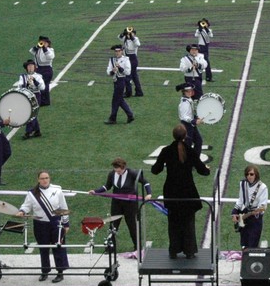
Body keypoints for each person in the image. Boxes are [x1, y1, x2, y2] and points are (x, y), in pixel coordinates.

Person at [151, 125, 212, 259]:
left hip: (171, 191)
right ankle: (189, 251)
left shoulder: (166, 151)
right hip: (187, 191)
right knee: (188, 222)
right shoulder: (190, 151)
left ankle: (174, 250)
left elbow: (155, 170)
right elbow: (202, 170)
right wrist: (207, 169)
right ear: (185, 136)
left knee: (173, 222)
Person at [88, 158, 152, 251]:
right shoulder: (112, 174)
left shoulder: (132, 173)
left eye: (119, 170)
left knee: (132, 226)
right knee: (113, 225)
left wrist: (149, 194)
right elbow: (107, 186)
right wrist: (95, 191)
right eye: (116, 170)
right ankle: (110, 249)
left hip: (130, 204)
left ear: (124, 167)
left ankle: (137, 247)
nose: (117, 172)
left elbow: (145, 182)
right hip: (116, 203)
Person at [17, 171, 70, 283]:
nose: (45, 180)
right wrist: (22, 211)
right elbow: (27, 205)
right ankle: (45, 271)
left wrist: (66, 224)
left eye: (46, 178)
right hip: (40, 225)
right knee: (43, 248)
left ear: (49, 178)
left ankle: (60, 272)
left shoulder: (57, 191)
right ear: (38, 180)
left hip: (56, 224)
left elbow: (64, 207)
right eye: (42, 178)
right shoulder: (32, 193)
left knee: (58, 247)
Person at [231, 165, 268, 249]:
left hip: (255, 218)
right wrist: (234, 212)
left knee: (253, 243)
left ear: (256, 175)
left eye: (251, 174)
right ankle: (245, 260)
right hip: (244, 215)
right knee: (243, 243)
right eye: (247, 174)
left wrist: (257, 211)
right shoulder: (243, 184)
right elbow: (240, 200)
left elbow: (263, 206)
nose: (249, 176)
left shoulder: (263, 187)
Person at [104, 45, 134, 125]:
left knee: (115, 100)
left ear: (122, 51)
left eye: (119, 51)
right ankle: (130, 115)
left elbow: (128, 72)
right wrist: (112, 71)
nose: (117, 53)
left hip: (121, 81)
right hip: (115, 82)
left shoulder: (126, 59)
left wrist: (120, 68)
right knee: (119, 100)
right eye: (116, 51)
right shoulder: (112, 59)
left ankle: (113, 118)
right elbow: (108, 71)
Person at [17, 60, 47, 139]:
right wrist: (27, 83)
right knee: (32, 114)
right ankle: (37, 131)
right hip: (26, 95)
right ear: (26, 68)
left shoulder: (38, 76)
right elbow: (19, 87)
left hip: (35, 95)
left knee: (31, 114)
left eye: (32, 66)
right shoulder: (22, 76)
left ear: (34, 67)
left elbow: (42, 87)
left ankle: (28, 132)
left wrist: (34, 81)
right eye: (29, 66)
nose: (30, 68)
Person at [177, 83, 204, 158]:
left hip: (191, 126)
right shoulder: (184, 103)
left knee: (198, 142)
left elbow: (190, 113)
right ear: (184, 92)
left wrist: (196, 118)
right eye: (188, 91)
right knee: (187, 145)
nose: (190, 92)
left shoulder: (188, 100)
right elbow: (184, 117)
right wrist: (194, 121)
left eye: (191, 91)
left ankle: (194, 161)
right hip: (186, 127)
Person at [29, 35, 55, 106]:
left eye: (45, 42)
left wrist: (44, 48)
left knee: (45, 86)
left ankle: (45, 101)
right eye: (42, 42)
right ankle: (40, 100)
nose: (43, 43)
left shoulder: (50, 50)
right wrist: (37, 46)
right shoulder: (37, 50)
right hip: (38, 69)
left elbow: (50, 57)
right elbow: (31, 51)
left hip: (47, 70)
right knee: (38, 85)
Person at [118, 28, 144, 97]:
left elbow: (138, 44)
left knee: (127, 77)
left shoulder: (135, 39)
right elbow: (119, 37)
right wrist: (124, 33)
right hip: (127, 59)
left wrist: (132, 37)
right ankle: (139, 92)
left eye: (131, 33)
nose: (129, 34)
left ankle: (128, 93)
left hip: (132, 59)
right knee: (135, 77)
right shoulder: (125, 39)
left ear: (134, 34)